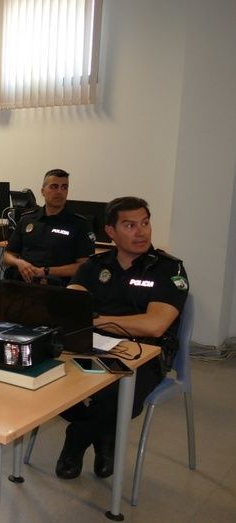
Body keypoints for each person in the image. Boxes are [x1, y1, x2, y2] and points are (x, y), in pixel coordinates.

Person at [56, 196, 188, 480]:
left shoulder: (168, 269)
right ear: (111, 232)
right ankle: (104, 436)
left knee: (115, 395)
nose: (141, 232)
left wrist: (97, 320)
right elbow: (71, 307)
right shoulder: (94, 266)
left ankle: (76, 439)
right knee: (52, 381)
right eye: (130, 225)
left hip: (144, 354)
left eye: (145, 223)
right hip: (92, 347)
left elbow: (154, 325)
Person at [2, 169, 94, 286]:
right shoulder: (27, 220)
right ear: (43, 191)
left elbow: (85, 266)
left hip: (57, 287)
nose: (60, 191)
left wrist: (46, 271)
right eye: (54, 187)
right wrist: (19, 263)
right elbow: (7, 256)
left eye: (64, 187)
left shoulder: (79, 224)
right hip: (23, 283)